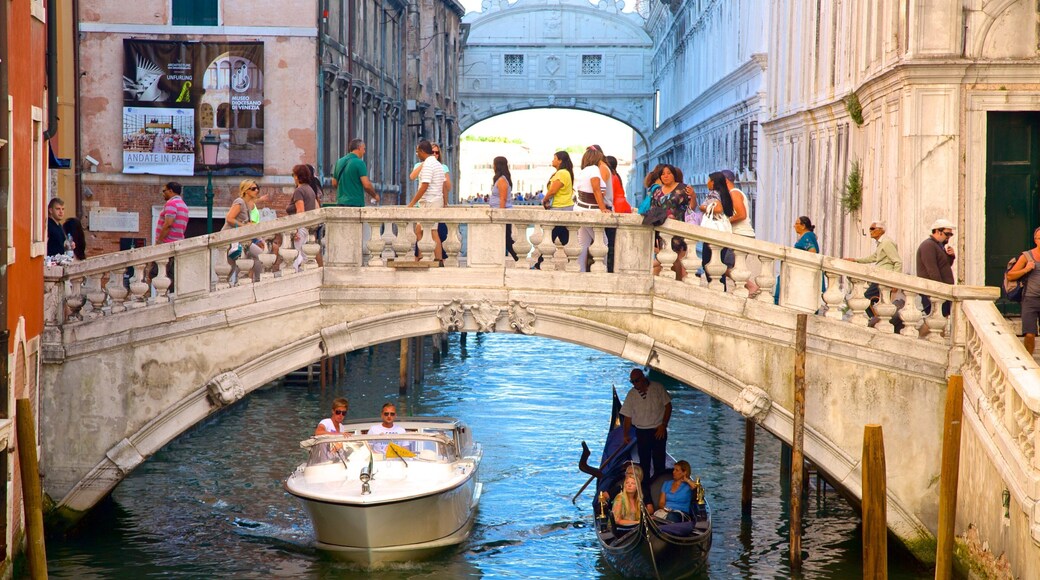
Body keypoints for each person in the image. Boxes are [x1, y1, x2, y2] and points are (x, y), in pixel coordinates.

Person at [621, 368, 672, 502]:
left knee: (659, 462)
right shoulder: (632, 394)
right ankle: (645, 495)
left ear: (643, 378)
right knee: (644, 464)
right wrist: (625, 435)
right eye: (632, 382)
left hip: (658, 430)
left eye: (636, 381)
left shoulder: (657, 388)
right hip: (642, 432)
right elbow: (627, 417)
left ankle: (660, 492)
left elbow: (668, 406)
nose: (634, 384)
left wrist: (663, 425)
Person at [844, 220, 902, 320]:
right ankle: (877, 319)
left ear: (881, 230)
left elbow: (897, 262)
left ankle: (875, 320)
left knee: (867, 298)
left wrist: (895, 282)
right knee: (875, 300)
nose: (870, 231)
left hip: (884, 277)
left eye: (872, 228)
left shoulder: (887, 242)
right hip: (879, 277)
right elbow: (873, 258)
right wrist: (855, 260)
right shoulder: (881, 243)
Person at [407, 140, 448, 262]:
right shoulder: (435, 164)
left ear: (422, 151)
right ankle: (420, 257)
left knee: (433, 231)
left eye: (417, 152)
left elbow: (424, 186)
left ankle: (438, 260)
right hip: (434, 200)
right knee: (419, 229)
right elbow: (442, 186)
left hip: (431, 201)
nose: (417, 154)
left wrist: (412, 203)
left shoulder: (429, 165)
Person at [574, 147, 611, 272]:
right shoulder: (594, 170)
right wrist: (603, 208)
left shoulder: (583, 171)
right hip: (591, 209)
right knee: (603, 241)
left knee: (583, 242)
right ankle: (602, 270)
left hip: (580, 208)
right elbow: (595, 189)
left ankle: (581, 270)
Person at [223, 179, 266, 284]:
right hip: (230, 239)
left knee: (259, 257)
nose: (256, 190)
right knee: (230, 267)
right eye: (253, 189)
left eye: (257, 188)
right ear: (246, 190)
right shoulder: (239, 202)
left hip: (242, 240)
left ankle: (257, 281)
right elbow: (229, 218)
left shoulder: (248, 205)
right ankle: (232, 285)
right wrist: (244, 226)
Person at [148, 181, 189, 287]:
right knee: (171, 276)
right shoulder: (183, 205)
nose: (163, 193)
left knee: (155, 274)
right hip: (178, 243)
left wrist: (159, 241)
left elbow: (168, 224)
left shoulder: (171, 204)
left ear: (171, 191)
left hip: (167, 244)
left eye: (164, 191)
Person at [1006, 227, 1040, 354]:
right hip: (1030, 299)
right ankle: (1029, 359)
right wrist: (1026, 269)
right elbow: (1010, 275)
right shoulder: (1027, 256)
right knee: (1030, 334)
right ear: (1035, 240)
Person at [916, 218, 955, 318]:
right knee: (935, 320)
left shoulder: (938, 246)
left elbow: (944, 267)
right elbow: (932, 270)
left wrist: (951, 256)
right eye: (947, 234)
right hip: (934, 291)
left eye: (951, 234)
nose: (949, 237)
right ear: (938, 231)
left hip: (942, 291)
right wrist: (939, 291)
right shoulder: (928, 245)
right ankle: (921, 334)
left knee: (940, 321)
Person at [286, 164, 321, 271]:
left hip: (300, 228)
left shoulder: (299, 191)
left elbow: (300, 211)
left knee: (296, 255)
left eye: (293, 175)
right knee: (305, 255)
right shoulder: (310, 189)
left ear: (297, 176)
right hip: (307, 228)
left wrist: (295, 230)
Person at [331, 139, 379, 207]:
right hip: (355, 203)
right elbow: (366, 185)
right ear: (359, 148)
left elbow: (334, 183)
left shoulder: (339, 162)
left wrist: (344, 191)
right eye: (364, 149)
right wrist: (375, 195)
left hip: (340, 202)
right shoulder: (359, 163)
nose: (364, 152)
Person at [488, 156, 517, 261]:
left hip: (503, 213)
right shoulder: (501, 179)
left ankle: (518, 257)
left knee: (507, 239)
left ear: (497, 165)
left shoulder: (502, 180)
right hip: (498, 212)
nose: (493, 166)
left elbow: (503, 199)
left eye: (494, 164)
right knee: (503, 239)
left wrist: (500, 215)